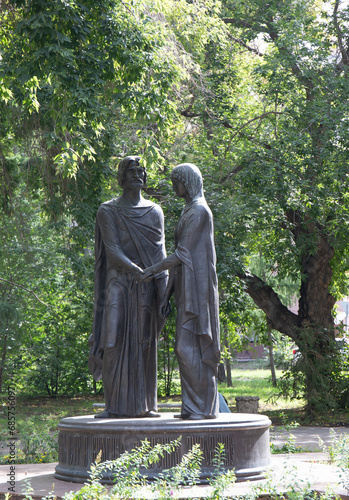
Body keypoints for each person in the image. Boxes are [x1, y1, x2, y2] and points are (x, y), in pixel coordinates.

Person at [138, 163, 220, 420]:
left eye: (176, 181)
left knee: (188, 347)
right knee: (186, 347)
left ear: (188, 182)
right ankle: (193, 408)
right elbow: (182, 259)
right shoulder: (188, 210)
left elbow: (181, 254)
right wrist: (166, 295)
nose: (174, 186)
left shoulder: (199, 212)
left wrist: (150, 270)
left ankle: (202, 408)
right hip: (186, 287)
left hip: (199, 289)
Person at [88, 155, 168, 418]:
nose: (138, 175)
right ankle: (112, 406)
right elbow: (112, 251)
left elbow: (160, 253)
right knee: (112, 340)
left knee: (145, 341)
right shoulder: (107, 211)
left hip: (146, 286)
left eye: (141, 171)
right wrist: (137, 270)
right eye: (132, 171)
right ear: (121, 177)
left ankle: (145, 405)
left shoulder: (154, 211)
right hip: (118, 284)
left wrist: (163, 291)